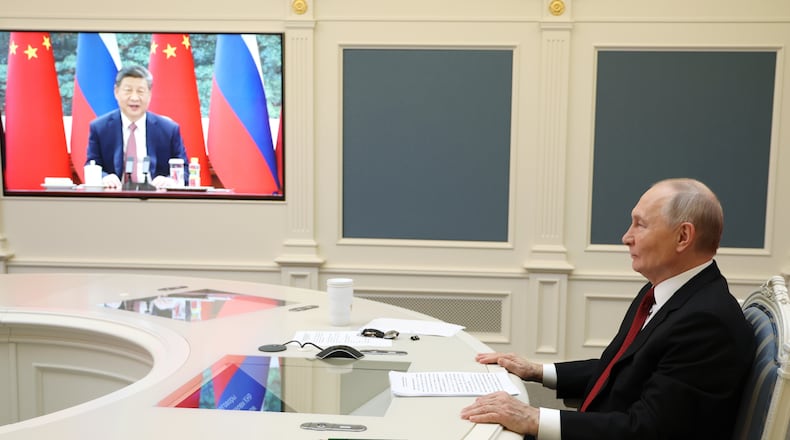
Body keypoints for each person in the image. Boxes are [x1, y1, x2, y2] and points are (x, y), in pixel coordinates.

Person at [461, 178, 756, 439]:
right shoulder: (666, 293)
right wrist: (537, 371)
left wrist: (533, 419)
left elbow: (650, 429)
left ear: (683, 237)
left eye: (640, 224)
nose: (626, 237)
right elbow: (622, 370)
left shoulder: (706, 322)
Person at [85, 65, 187, 189]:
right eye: (128, 90)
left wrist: (169, 180)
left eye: (140, 91)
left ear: (149, 94)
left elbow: (185, 170)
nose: (134, 98)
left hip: (156, 200)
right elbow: (91, 165)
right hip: (114, 199)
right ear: (116, 92)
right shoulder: (100, 128)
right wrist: (104, 177)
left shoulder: (168, 129)